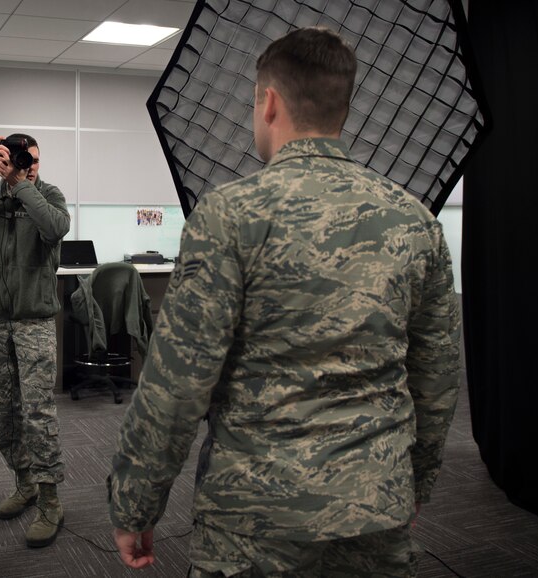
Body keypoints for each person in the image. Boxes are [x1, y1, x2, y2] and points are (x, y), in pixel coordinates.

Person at [108, 27, 461, 576]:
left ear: (269, 103)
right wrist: (413, 484)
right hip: (376, 500)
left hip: (255, 518)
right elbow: (435, 378)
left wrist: (135, 504)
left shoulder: (229, 214)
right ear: (344, 107)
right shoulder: (416, 221)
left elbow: (177, 383)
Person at [0, 133, 70, 548]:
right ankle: (24, 482)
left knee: (38, 415)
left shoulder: (47, 195)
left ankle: (50, 502)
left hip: (33, 324)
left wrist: (22, 184)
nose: (29, 164)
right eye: (21, 158)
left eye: (35, 160)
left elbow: (55, 227)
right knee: (2, 411)